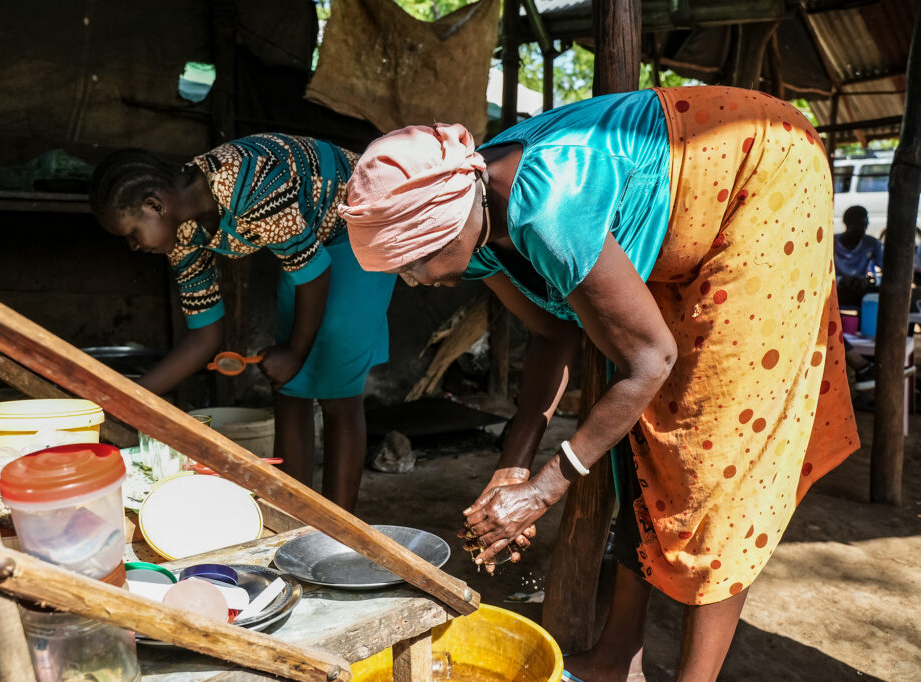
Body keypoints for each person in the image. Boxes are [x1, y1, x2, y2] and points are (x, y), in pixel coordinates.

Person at [339, 87, 859, 681]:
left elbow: (651, 360)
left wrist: (544, 489)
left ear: (446, 222)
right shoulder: (475, 219)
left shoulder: (549, 208)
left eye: (412, 263)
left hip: (762, 176)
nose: (411, 282)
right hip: (689, 213)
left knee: (716, 449)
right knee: (637, 446)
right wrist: (514, 466)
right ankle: (618, 658)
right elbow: (552, 337)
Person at [90, 134, 395, 511]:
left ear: (155, 204)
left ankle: (339, 535)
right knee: (289, 387)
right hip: (312, 246)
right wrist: (125, 398)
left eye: (133, 235)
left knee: (337, 389)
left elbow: (315, 276)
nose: (134, 248)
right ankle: (295, 519)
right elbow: (205, 334)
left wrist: (297, 352)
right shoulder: (183, 234)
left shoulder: (247, 181)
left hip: (362, 222)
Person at [834, 205, 882, 306]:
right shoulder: (832, 243)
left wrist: (871, 281)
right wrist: (842, 280)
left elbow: (886, 269)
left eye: (865, 226)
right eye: (858, 225)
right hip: (837, 289)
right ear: (847, 224)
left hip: (861, 288)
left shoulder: (872, 243)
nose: (862, 230)